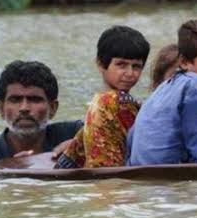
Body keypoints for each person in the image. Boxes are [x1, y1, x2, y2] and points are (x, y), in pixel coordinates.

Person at [127, 16, 197, 165]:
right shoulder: (195, 83)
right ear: (184, 62)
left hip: (139, 168)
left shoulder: (163, 88)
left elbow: (133, 134)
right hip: (168, 171)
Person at [55, 26, 150, 168]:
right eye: (121, 65)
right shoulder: (107, 102)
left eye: (136, 66)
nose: (130, 73)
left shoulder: (121, 104)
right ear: (101, 64)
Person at [0, 60, 82, 163]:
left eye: (35, 99)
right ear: (1, 108)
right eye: (15, 100)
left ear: (53, 108)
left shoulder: (75, 134)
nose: (24, 108)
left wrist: (81, 147)